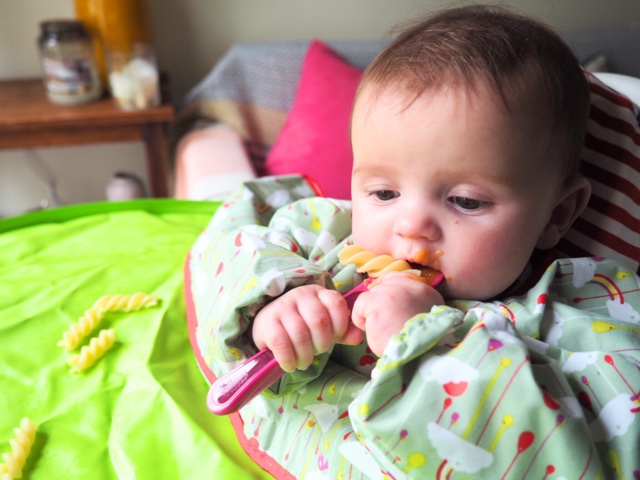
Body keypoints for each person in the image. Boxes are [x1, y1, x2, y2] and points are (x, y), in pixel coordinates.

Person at [188, 5, 640, 478]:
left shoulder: (586, 314)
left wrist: (427, 344)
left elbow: (578, 451)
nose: (411, 227)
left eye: (466, 201)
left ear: (558, 214)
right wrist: (274, 307)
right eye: (384, 193)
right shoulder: (327, 240)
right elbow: (229, 243)